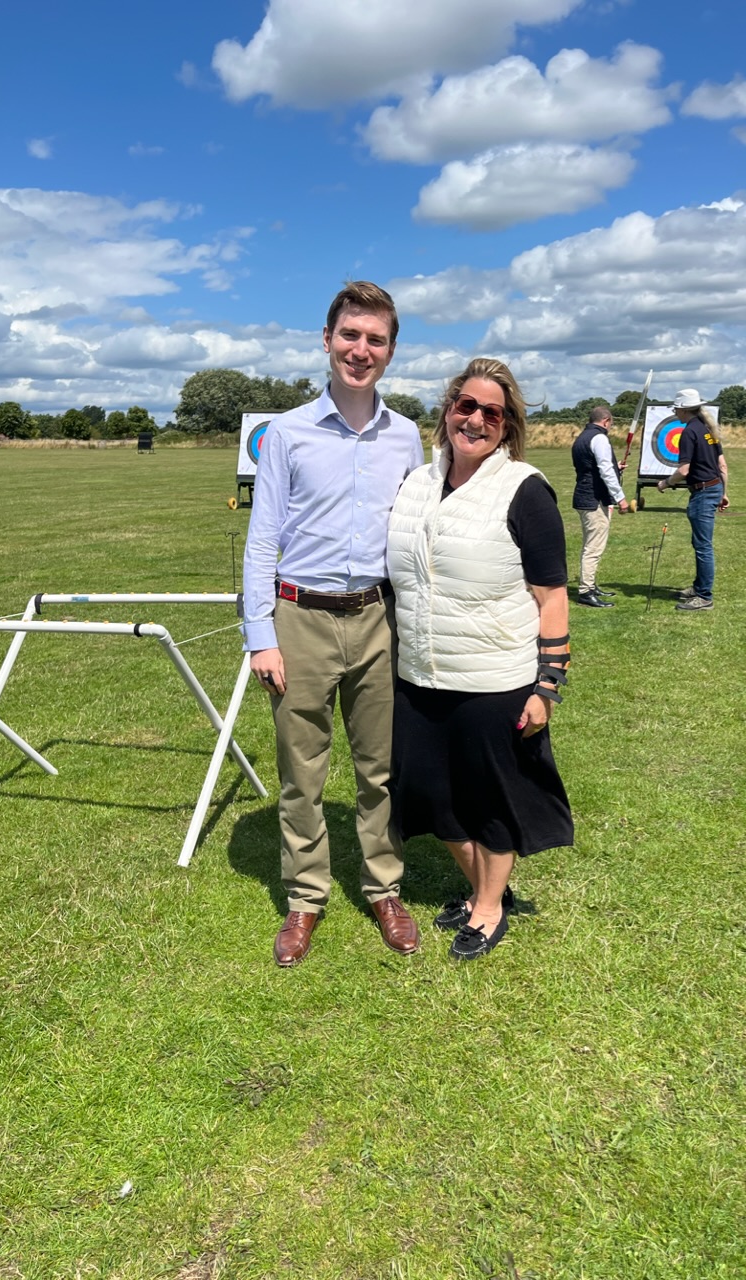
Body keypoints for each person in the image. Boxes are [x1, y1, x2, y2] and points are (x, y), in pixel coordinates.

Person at [243, 282, 424, 967]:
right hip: (301, 619)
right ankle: (305, 899)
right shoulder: (287, 433)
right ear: (327, 341)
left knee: (380, 772)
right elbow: (263, 540)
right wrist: (261, 637)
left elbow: (416, 535)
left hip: (378, 619)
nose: (361, 350)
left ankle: (384, 888)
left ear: (390, 351)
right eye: (350, 335)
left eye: (375, 340)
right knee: (303, 774)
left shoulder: (407, 436)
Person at [386, 358, 574, 961]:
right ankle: (482, 889)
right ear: (447, 411)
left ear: (508, 425)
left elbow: (551, 594)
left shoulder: (525, 488)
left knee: (490, 800)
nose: (475, 419)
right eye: (465, 405)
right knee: (432, 797)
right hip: (420, 673)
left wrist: (547, 685)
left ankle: (490, 907)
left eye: (491, 412)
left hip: (496, 677)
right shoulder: (416, 483)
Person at [656, 389, 729, 612]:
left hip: (703, 492)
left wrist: (666, 483)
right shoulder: (707, 429)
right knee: (700, 544)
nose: (675, 412)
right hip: (713, 488)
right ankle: (698, 588)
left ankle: (704, 597)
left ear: (682, 409)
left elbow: (684, 470)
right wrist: (724, 493)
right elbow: (722, 465)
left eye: (676, 408)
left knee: (703, 546)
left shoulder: (689, 432)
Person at [571, 405, 630, 608]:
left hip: (584, 496)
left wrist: (617, 467)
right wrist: (621, 498)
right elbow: (604, 470)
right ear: (606, 421)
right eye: (610, 424)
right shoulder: (600, 438)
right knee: (593, 548)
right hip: (593, 499)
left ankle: (591, 585)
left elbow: (593, 466)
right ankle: (586, 592)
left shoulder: (582, 437)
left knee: (591, 544)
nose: (610, 428)